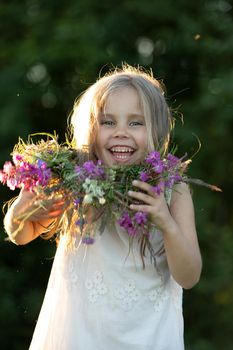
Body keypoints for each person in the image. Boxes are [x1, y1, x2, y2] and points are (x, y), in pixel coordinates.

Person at [4, 64, 202, 349]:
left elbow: (189, 276)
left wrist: (166, 222)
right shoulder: (76, 182)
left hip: (149, 336)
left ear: (157, 131)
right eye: (108, 122)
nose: (121, 132)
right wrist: (23, 208)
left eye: (136, 123)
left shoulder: (171, 189)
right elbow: (19, 233)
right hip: (80, 334)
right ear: (90, 129)